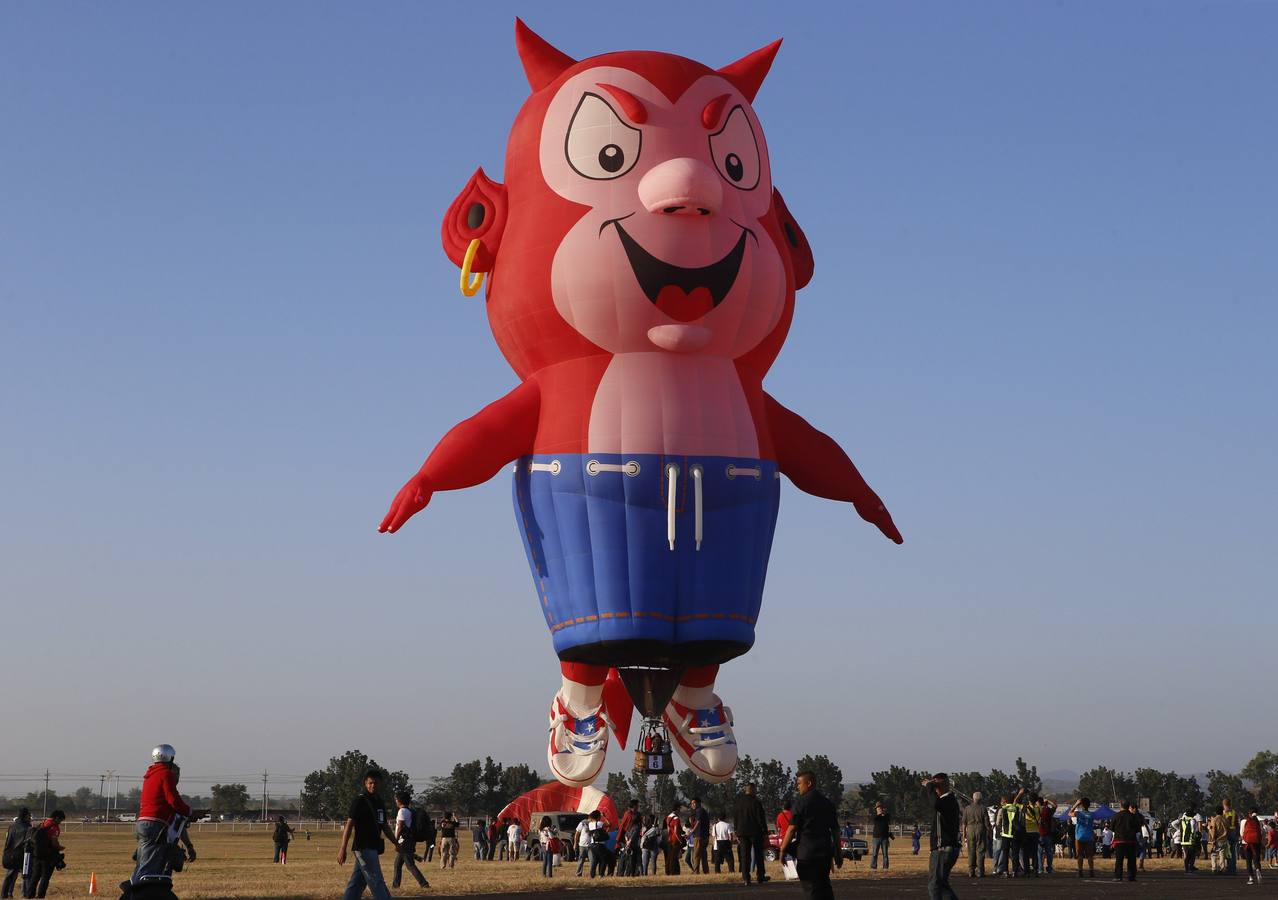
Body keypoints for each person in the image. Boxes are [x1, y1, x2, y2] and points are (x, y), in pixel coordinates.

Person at [133, 744, 195, 888]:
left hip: (143, 823)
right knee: (151, 867)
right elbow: (173, 800)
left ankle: (134, 888)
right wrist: (190, 812)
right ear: (171, 757)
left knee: (144, 863)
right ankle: (141, 892)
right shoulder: (165, 774)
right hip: (155, 824)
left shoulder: (151, 774)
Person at [336, 768, 400, 900]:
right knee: (376, 880)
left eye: (375, 783)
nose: (373, 785)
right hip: (363, 847)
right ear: (365, 783)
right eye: (370, 783)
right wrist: (343, 848)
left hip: (374, 846)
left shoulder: (380, 802)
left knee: (357, 883)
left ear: (380, 783)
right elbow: (349, 825)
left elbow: (384, 826)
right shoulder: (359, 801)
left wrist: (396, 843)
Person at [779, 770, 841, 900]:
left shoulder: (801, 803)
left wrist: (783, 849)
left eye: (799, 783)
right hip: (824, 854)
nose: (797, 787)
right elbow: (835, 830)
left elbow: (791, 829)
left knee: (811, 890)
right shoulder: (827, 803)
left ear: (809, 783)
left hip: (806, 854)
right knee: (824, 887)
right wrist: (838, 853)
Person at [917, 775, 960, 900]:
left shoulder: (948, 800)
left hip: (943, 848)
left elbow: (935, 803)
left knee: (934, 885)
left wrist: (930, 785)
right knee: (941, 884)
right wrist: (930, 787)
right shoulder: (945, 800)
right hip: (945, 848)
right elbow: (931, 801)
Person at [391, 791, 428, 890]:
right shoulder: (409, 811)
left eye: (396, 799)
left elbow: (400, 827)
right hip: (408, 840)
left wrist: (396, 841)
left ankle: (424, 884)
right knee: (397, 864)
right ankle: (395, 886)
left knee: (410, 865)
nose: (395, 801)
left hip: (404, 841)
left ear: (399, 801)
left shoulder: (402, 811)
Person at [734, 782, 768, 884]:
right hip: (755, 832)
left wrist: (736, 830)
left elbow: (735, 818)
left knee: (745, 856)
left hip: (742, 832)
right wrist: (765, 831)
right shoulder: (756, 802)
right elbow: (760, 818)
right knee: (758, 854)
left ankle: (746, 878)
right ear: (752, 790)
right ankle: (760, 876)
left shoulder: (738, 802)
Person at [25, 811, 64, 899]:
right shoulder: (54, 827)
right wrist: (59, 847)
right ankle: (40, 896)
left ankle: (29, 895)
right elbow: (54, 842)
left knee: (35, 876)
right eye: (61, 820)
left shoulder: (43, 823)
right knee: (45, 877)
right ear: (57, 818)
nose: (61, 822)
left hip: (37, 853)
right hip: (48, 855)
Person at [2, 808, 31, 899]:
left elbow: (8, 841)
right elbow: (28, 842)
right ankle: (25, 894)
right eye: (29, 815)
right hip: (22, 854)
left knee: (9, 876)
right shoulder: (27, 828)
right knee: (26, 875)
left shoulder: (12, 826)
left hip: (10, 853)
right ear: (26, 816)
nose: (29, 817)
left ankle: (4, 894)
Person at [1111, 800, 1143, 882]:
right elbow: (1137, 828)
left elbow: (1112, 827)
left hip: (1119, 840)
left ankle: (1118, 876)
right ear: (1129, 806)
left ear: (1121, 805)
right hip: (1131, 840)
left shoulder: (1116, 816)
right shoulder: (1133, 816)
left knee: (1119, 860)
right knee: (1131, 859)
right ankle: (1131, 876)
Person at [1069, 796, 1096, 879]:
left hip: (1079, 836)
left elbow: (1069, 813)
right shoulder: (1092, 815)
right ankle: (1091, 872)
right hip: (1089, 837)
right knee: (1090, 856)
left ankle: (1080, 872)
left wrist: (1076, 804)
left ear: (1081, 805)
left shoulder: (1079, 813)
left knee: (1080, 855)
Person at [961, 791, 987, 878]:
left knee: (971, 851)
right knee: (980, 851)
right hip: (980, 829)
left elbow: (964, 823)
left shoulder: (967, 808)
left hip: (970, 830)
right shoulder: (983, 808)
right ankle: (980, 871)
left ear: (973, 798)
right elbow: (987, 823)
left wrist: (964, 834)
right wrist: (989, 832)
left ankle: (971, 871)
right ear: (981, 799)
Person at [1242, 807, 1265, 884]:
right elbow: (1262, 832)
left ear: (1249, 813)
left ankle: (1251, 878)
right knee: (1256, 859)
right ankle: (1258, 869)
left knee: (1248, 861)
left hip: (1247, 843)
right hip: (1256, 842)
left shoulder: (1244, 821)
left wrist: (1245, 839)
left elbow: (1242, 832)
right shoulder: (1259, 822)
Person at [585, 809, 610, 878]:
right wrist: (605, 817)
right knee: (603, 860)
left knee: (595, 860)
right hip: (600, 844)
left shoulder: (590, 824)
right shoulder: (599, 823)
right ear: (598, 816)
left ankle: (592, 875)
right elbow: (609, 824)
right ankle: (601, 874)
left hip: (592, 844)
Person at [688, 797, 710, 874]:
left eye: (694, 803)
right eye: (691, 803)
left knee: (696, 855)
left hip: (699, 836)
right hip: (705, 836)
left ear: (698, 803)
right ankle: (706, 871)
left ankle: (696, 872)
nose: (692, 805)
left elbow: (698, 822)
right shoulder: (703, 811)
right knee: (704, 855)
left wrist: (692, 831)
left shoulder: (699, 811)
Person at [1036, 795, 1056, 874]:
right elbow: (1055, 806)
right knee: (1049, 853)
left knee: (1039, 853)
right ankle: (1050, 868)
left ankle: (1040, 869)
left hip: (1039, 833)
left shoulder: (1036, 810)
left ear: (1038, 802)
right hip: (1048, 833)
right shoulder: (1047, 810)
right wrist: (1048, 801)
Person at [869, 801, 891, 870]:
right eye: (878, 808)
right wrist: (879, 814)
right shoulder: (875, 816)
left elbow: (888, 819)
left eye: (880, 808)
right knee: (875, 853)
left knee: (885, 854)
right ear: (876, 809)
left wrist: (884, 814)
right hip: (876, 838)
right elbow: (875, 819)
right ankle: (873, 867)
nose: (879, 809)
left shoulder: (886, 816)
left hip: (884, 838)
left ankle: (885, 867)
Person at [1207, 805, 1229, 873]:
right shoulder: (1225, 819)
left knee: (1214, 854)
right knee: (1222, 854)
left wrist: (1212, 839)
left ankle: (1214, 868)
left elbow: (1213, 830)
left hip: (1217, 839)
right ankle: (1222, 868)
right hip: (1224, 839)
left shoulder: (1214, 819)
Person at [663, 803, 683, 875]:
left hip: (669, 839)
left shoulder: (668, 817)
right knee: (674, 858)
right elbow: (676, 831)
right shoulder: (676, 819)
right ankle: (673, 872)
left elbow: (668, 829)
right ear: (677, 809)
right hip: (675, 840)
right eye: (679, 809)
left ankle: (668, 871)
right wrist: (680, 841)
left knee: (669, 857)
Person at [1223, 798, 1239, 876]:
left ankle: (1229, 868)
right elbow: (1237, 824)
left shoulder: (1224, 813)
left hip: (1227, 833)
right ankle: (1234, 868)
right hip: (1234, 832)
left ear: (1224, 805)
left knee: (1228, 852)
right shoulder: (1234, 812)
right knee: (1233, 852)